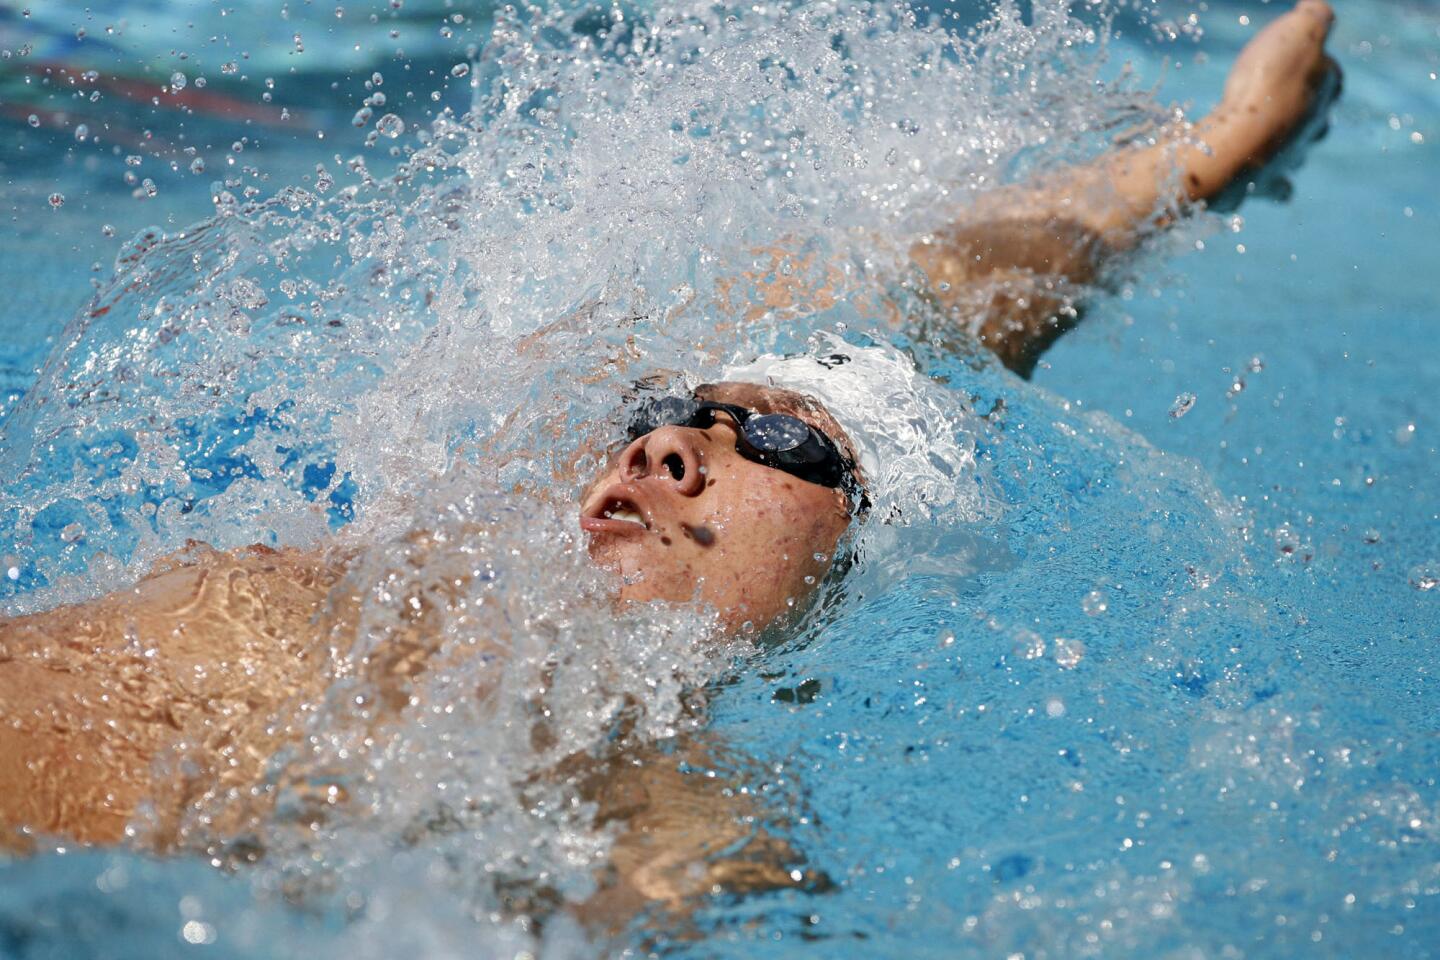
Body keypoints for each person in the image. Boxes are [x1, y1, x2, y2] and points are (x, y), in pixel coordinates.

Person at [0, 0, 1338, 920]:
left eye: (773, 438)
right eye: (672, 411)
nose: (670, 444)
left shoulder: (666, 817)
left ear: (864, 562)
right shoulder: (429, 549)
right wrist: (1207, 152)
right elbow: (935, 296)